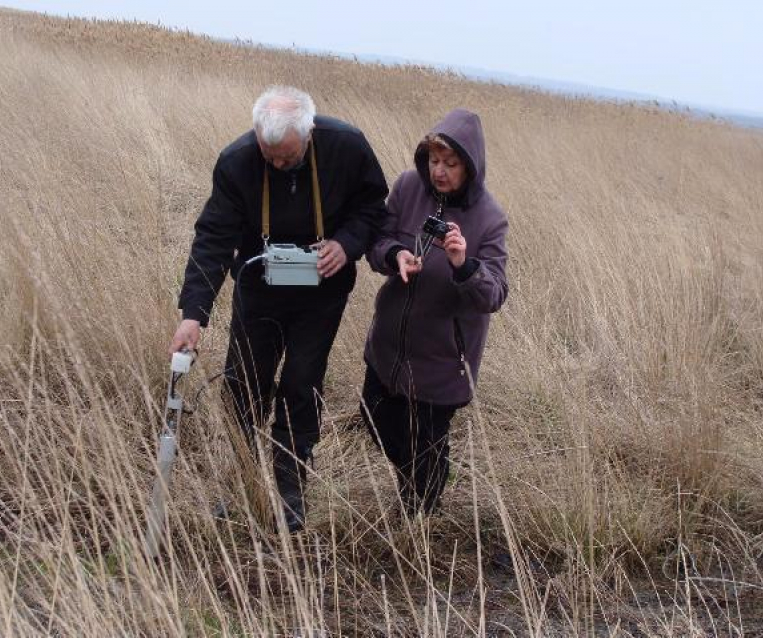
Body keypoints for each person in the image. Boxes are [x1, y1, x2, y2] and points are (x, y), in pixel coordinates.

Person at [170, 86, 388, 532]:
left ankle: (290, 492)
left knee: (300, 384)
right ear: (256, 136)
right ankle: (243, 484)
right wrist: (194, 312)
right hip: (258, 288)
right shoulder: (237, 161)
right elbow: (212, 240)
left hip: (322, 293)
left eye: (287, 157)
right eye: (269, 156)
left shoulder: (347, 146)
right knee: (243, 382)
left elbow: (373, 209)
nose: (277, 164)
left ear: (309, 133)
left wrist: (346, 246)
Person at [361, 108, 509, 517]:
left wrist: (464, 264)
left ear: (471, 166)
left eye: (450, 163)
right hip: (389, 344)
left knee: (425, 444)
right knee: (373, 415)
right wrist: (396, 255)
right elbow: (379, 241)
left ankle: (420, 513)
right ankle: (425, 478)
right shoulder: (409, 187)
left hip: (443, 360)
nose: (439, 171)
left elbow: (494, 294)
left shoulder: (490, 219)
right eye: (434, 160)